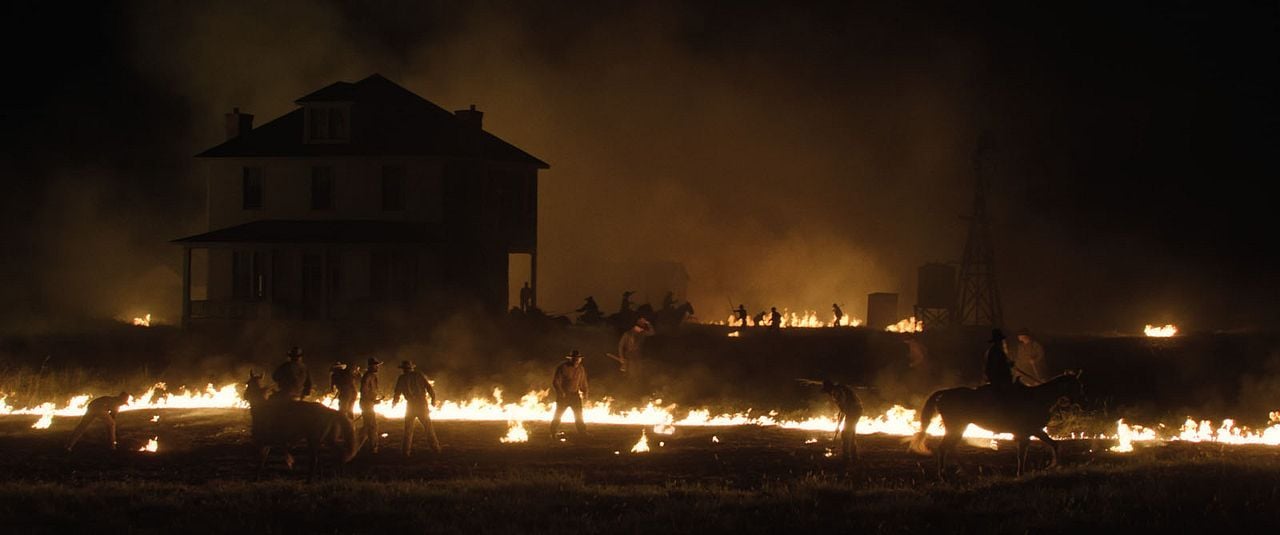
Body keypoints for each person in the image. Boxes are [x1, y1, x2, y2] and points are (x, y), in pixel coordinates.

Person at [392, 360, 441, 456]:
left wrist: (395, 402)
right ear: (411, 368)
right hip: (421, 405)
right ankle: (436, 449)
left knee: (408, 430)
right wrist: (433, 399)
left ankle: (406, 452)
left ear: (403, 369)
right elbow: (429, 387)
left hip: (411, 406)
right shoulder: (418, 375)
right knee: (428, 427)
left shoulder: (402, 378)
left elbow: (397, 393)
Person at [65, 391, 131, 452]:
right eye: (123, 403)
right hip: (98, 408)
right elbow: (112, 418)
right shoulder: (115, 404)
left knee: (82, 426)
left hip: (91, 407)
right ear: (121, 400)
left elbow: (111, 416)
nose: (123, 404)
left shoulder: (110, 399)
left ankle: (68, 446)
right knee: (112, 424)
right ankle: (112, 446)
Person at [550, 350, 589, 438]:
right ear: (570, 359)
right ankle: (553, 432)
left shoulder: (580, 369)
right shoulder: (563, 367)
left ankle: (582, 432)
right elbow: (556, 382)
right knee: (558, 414)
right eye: (574, 359)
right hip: (564, 396)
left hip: (575, 395)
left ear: (580, 360)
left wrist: (585, 392)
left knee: (579, 415)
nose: (576, 361)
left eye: (578, 359)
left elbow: (583, 382)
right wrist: (561, 392)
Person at [822, 380, 862, 464]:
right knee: (850, 433)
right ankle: (854, 457)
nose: (828, 394)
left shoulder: (836, 392)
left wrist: (839, 425)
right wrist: (838, 425)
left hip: (853, 411)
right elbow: (842, 410)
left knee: (845, 433)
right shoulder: (839, 389)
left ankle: (846, 458)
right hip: (856, 409)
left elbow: (843, 409)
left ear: (829, 388)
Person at [359, 357, 383, 453]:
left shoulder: (372, 376)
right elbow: (363, 391)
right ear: (371, 366)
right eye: (376, 366)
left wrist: (374, 400)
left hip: (368, 403)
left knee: (368, 425)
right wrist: (372, 401)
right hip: (367, 404)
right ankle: (372, 448)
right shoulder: (368, 376)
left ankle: (363, 445)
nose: (377, 367)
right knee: (371, 425)